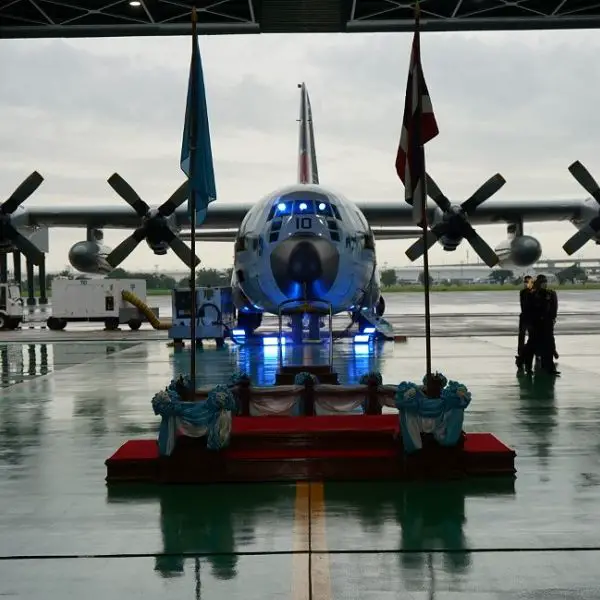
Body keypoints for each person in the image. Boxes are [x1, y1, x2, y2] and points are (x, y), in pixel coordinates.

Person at [522, 274, 560, 375]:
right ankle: (528, 367)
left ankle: (549, 367)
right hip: (535, 324)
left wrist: (552, 318)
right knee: (532, 345)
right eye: (542, 282)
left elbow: (554, 307)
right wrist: (529, 323)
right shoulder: (532, 294)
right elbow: (528, 309)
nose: (544, 284)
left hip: (547, 324)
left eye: (545, 282)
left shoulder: (550, 293)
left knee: (549, 345)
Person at [516, 275, 534, 370]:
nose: (527, 283)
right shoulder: (523, 292)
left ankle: (529, 352)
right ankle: (521, 352)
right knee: (522, 336)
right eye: (525, 282)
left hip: (531, 317)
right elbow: (525, 304)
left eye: (528, 282)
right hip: (525, 316)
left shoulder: (533, 292)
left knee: (532, 336)